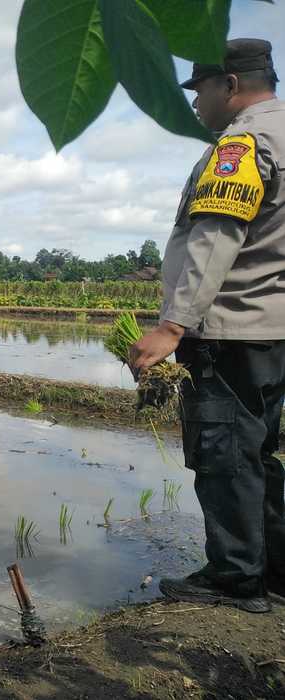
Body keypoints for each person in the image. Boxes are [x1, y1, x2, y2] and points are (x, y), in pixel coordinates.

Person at [130, 39, 285, 613]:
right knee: (258, 453)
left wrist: (173, 326)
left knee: (225, 457)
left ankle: (236, 580)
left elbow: (217, 235)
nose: (196, 104)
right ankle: (273, 571)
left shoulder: (243, 144)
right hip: (271, 332)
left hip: (229, 332)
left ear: (231, 86)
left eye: (200, 91)